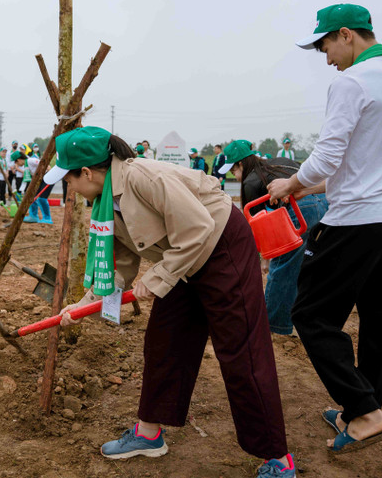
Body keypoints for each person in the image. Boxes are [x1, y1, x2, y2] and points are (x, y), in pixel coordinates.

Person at [49, 127, 295, 477]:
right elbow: (118, 268)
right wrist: (83, 305)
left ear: (86, 173)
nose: (69, 187)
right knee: (165, 342)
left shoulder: (142, 178)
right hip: (179, 257)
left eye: (69, 179)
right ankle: (149, 434)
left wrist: (159, 278)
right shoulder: (104, 205)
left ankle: (277, 457)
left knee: (241, 351)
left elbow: (197, 228)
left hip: (220, 244)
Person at [268, 4, 382, 452]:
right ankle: (362, 413)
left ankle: (366, 410)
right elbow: (366, 158)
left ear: (347, 35)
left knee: (310, 314)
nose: (326, 57)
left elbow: (327, 158)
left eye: (326, 45)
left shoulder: (350, 82)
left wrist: (288, 184)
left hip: (355, 221)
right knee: (379, 320)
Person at [220, 140, 328, 335]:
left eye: (233, 171)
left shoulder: (251, 181)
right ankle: (302, 319)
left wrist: (265, 259)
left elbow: (261, 225)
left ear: (241, 164)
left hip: (301, 207)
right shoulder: (278, 161)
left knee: (283, 266)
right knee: (306, 265)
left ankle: (276, 325)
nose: (234, 177)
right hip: (324, 202)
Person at [22, 152, 53, 224]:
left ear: (19, 160)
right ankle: (33, 216)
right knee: (33, 196)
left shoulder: (30, 160)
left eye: (16, 163)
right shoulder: (26, 166)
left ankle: (47, 218)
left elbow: (44, 164)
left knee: (42, 198)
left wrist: (50, 175)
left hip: (48, 176)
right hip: (41, 179)